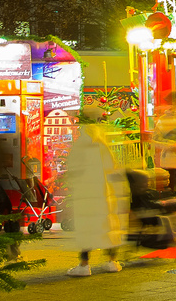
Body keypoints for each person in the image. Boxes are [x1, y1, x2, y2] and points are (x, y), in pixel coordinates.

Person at [62, 105, 129, 277]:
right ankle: (111, 261)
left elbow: (74, 169)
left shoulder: (81, 144)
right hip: (106, 192)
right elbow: (112, 167)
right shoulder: (102, 142)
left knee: (87, 226)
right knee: (108, 224)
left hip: (86, 193)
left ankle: (84, 264)